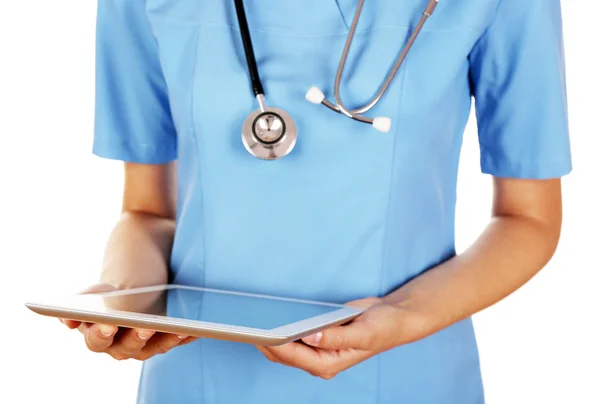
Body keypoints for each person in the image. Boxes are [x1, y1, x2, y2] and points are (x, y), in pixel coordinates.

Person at [60, 0, 572, 403]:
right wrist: (128, 299)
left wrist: (405, 315)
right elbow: (147, 212)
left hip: (404, 375)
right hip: (195, 377)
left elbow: (528, 219)